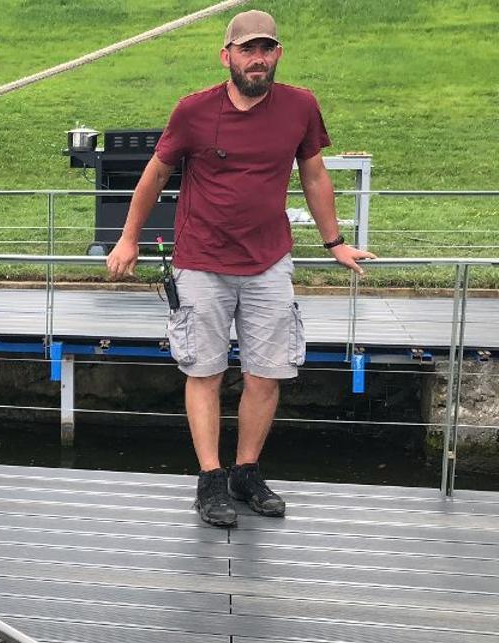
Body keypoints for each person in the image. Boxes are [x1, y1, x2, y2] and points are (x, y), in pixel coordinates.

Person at [105, 11, 376, 528]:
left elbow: (314, 175)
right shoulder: (193, 111)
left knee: (267, 372)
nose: (258, 58)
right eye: (247, 49)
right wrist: (128, 238)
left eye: (267, 49)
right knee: (203, 370)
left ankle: (246, 473)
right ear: (225, 55)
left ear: (278, 54)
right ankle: (210, 480)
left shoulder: (300, 106)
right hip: (201, 262)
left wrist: (336, 242)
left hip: (268, 261)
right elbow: (155, 174)